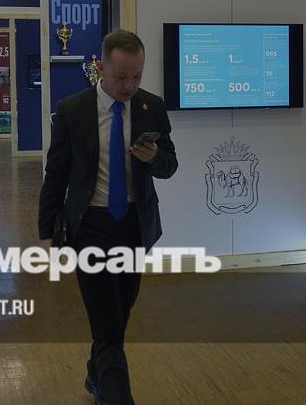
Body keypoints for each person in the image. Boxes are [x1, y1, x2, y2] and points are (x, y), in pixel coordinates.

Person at [38, 29, 179, 405]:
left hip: (134, 225)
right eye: (121, 76)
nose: (129, 86)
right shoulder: (72, 111)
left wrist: (155, 158)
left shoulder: (152, 107)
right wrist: (46, 232)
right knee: (106, 320)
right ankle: (116, 396)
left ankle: (95, 372)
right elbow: (56, 175)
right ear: (101, 68)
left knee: (118, 314)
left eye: (137, 76)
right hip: (91, 227)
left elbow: (170, 165)